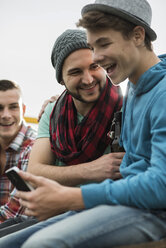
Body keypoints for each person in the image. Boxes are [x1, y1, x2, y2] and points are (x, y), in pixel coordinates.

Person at [1, 0, 166, 245]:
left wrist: (73, 196)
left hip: (152, 210)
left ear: (138, 35)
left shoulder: (158, 94)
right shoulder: (134, 87)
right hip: (125, 201)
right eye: (93, 46)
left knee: (41, 244)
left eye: (104, 44)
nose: (97, 57)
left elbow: (160, 185)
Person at [27, 28, 123, 186]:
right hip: (57, 208)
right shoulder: (53, 111)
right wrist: (91, 170)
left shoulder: (126, 108)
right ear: (61, 80)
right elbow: (35, 172)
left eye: (94, 66)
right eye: (75, 72)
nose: (88, 79)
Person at [0, 80, 38, 236]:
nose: (6, 115)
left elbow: (14, 215)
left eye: (13, 107)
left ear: (23, 109)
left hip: (17, 232)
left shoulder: (33, 148)